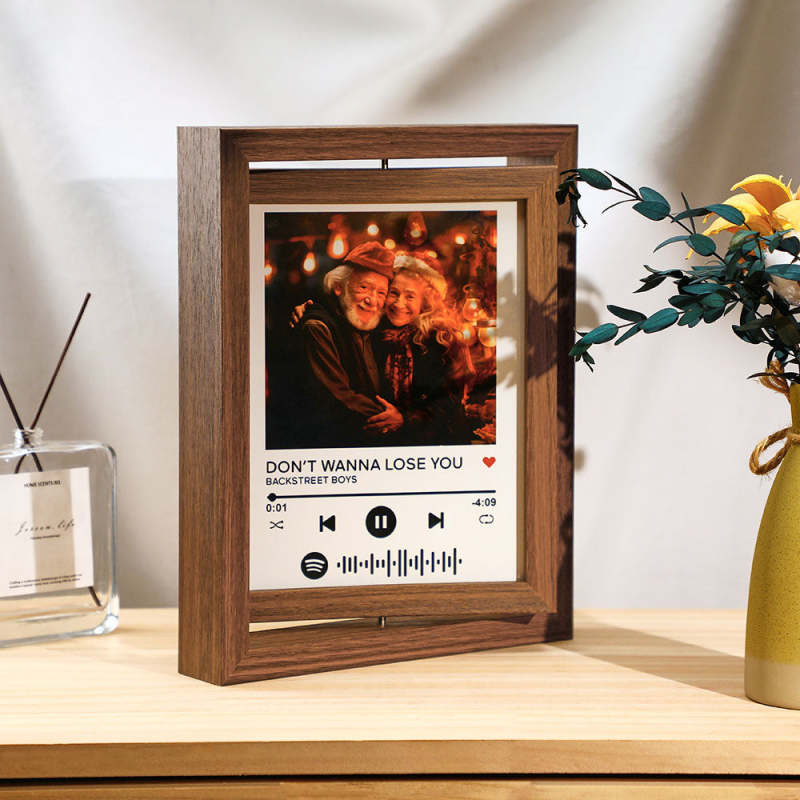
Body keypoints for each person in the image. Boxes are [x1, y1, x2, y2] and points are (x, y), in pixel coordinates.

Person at [295, 241, 403, 448]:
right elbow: (338, 396)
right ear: (339, 287)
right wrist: (392, 417)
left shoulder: (376, 328)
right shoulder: (318, 326)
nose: (372, 300)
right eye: (364, 287)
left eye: (381, 293)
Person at [366, 254, 474, 444]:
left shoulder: (444, 339)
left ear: (425, 302)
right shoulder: (372, 332)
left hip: (435, 441)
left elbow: (448, 403)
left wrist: (404, 419)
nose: (399, 303)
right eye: (394, 293)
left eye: (410, 296)